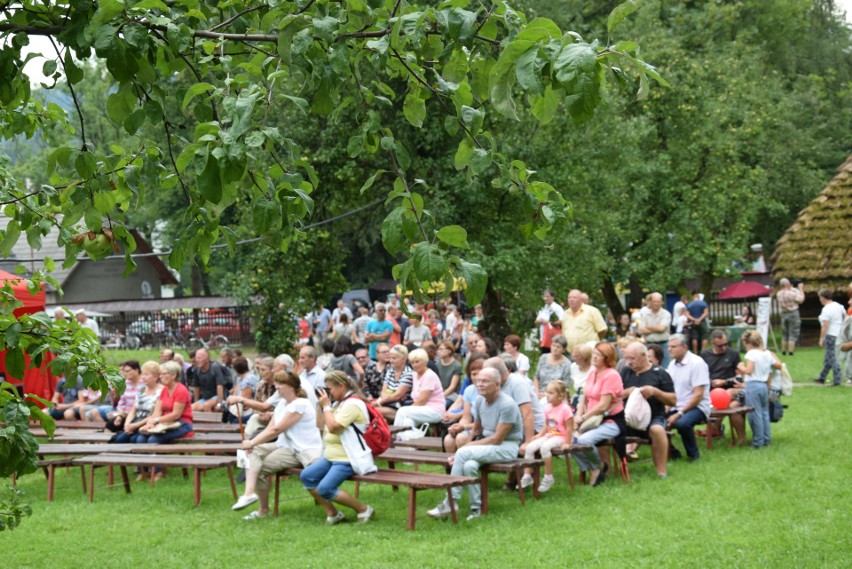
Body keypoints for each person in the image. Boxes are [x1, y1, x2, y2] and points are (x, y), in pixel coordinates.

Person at [427, 367, 523, 521]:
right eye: (478, 381)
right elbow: (477, 429)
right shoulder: (479, 400)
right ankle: (476, 509)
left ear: (497, 384)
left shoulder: (507, 404)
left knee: (464, 454)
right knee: (469, 465)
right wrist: (468, 443)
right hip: (487, 444)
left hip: (507, 446)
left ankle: (450, 502)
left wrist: (463, 450)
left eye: (485, 381)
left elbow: (497, 439)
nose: (480, 384)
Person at [231, 371, 323, 519]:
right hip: (285, 446)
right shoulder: (281, 403)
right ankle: (250, 497)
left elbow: (277, 429)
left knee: (254, 457)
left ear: (291, 387)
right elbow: (269, 429)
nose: (276, 386)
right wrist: (250, 444)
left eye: (280, 384)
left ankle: (330, 508)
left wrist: (252, 441)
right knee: (248, 453)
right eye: (276, 383)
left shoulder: (300, 403)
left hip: (302, 449)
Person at [300, 371, 375, 524]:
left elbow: (334, 427)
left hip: (348, 458)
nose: (329, 393)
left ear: (341, 386)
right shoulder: (338, 403)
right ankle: (333, 513)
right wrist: (321, 405)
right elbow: (320, 425)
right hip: (331, 457)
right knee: (307, 476)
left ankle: (363, 509)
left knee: (325, 489)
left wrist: (327, 406)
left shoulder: (353, 404)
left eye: (330, 389)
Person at [620, 342, 675, 478]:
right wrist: (629, 391)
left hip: (654, 416)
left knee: (657, 430)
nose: (628, 362)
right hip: (628, 416)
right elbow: (616, 395)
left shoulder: (660, 373)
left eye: (632, 358)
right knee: (608, 428)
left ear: (643, 356)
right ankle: (608, 470)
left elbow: (673, 400)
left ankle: (661, 471)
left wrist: (655, 392)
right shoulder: (626, 371)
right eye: (626, 358)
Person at [572, 342, 624, 487]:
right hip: (591, 420)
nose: (594, 357)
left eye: (599, 355)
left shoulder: (611, 375)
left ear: (607, 358)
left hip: (610, 421)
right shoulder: (593, 373)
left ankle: (596, 468)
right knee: (569, 440)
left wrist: (583, 418)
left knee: (583, 441)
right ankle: (596, 467)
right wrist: (578, 415)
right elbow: (584, 398)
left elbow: (603, 406)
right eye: (594, 353)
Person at [137, 361, 194, 479]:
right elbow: (157, 411)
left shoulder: (181, 390)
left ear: (173, 375)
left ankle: (159, 471)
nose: (161, 377)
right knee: (141, 438)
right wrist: (150, 423)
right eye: (160, 374)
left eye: (164, 374)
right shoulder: (164, 390)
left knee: (153, 439)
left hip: (182, 424)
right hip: (164, 423)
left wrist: (156, 421)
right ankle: (144, 471)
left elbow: (176, 415)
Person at [520, 380, 573, 492]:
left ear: (560, 396)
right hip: (550, 434)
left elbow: (569, 428)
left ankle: (548, 477)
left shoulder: (565, 409)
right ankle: (527, 476)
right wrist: (539, 435)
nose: (547, 395)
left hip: (561, 436)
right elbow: (547, 425)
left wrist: (567, 442)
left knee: (545, 448)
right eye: (547, 392)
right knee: (529, 448)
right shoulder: (548, 407)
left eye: (551, 393)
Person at [666, 334, 711, 461]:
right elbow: (670, 391)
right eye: (669, 346)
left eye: (673, 346)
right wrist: (666, 407)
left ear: (685, 347)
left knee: (682, 424)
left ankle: (693, 456)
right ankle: (672, 452)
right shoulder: (671, 365)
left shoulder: (697, 363)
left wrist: (679, 413)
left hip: (698, 406)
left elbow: (698, 395)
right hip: (677, 405)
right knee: (655, 422)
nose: (669, 349)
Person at [736, 330, 781, 448]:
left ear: (749, 344)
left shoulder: (751, 354)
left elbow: (749, 370)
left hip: (753, 385)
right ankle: (766, 439)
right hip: (764, 385)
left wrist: (741, 367)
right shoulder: (767, 354)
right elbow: (777, 364)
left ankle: (758, 442)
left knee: (754, 414)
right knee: (764, 413)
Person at [701, 330, 745, 444]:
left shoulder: (733, 354)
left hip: (729, 390)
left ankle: (740, 438)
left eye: (726, 344)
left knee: (732, 407)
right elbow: (700, 375)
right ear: (713, 344)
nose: (724, 347)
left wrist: (724, 382)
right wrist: (711, 382)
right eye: (720, 345)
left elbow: (740, 377)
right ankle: (715, 428)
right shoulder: (705, 356)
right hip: (711, 391)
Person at [112, 361, 163, 451]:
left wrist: (135, 426)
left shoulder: (161, 391)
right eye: (143, 374)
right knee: (119, 440)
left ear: (156, 376)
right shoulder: (142, 390)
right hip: (136, 421)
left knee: (134, 439)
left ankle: (141, 464)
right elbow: (133, 410)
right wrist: (127, 425)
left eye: (146, 374)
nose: (143, 377)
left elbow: (155, 415)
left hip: (149, 424)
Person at [442, 353, 487, 452]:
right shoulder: (469, 390)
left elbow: (486, 423)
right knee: (448, 439)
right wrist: (457, 427)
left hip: (485, 429)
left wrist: (463, 428)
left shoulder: (489, 391)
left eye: (478, 374)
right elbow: (466, 417)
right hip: (471, 426)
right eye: (473, 374)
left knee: (461, 438)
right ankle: (451, 467)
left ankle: (463, 465)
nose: (476, 377)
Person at [393, 348, 445, 429]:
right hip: (421, 409)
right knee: (408, 421)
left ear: (424, 361)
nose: (414, 365)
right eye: (412, 362)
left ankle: (392, 437)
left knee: (402, 411)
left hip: (435, 410)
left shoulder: (429, 375)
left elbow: (422, 401)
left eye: (417, 362)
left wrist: (408, 410)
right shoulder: (414, 375)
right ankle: (405, 440)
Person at [96, 360, 142, 428]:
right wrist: (119, 415)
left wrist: (122, 415)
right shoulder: (126, 383)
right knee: (110, 425)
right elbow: (121, 403)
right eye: (124, 371)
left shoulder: (144, 384)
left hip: (136, 415)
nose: (125, 373)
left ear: (136, 371)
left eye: (127, 371)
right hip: (124, 414)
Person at [372, 344, 413, 421]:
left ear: (403, 359)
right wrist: (382, 401)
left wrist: (379, 403)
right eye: (390, 358)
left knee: (373, 410)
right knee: (380, 418)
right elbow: (383, 391)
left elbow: (396, 396)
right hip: (387, 403)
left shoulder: (408, 374)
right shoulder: (390, 370)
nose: (391, 360)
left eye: (394, 358)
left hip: (400, 407)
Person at [815, 289, 846, 385]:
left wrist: (821, 338)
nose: (820, 300)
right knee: (828, 357)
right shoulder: (839, 306)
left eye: (820, 297)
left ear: (823, 298)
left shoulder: (826, 309)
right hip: (839, 334)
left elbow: (825, 325)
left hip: (830, 335)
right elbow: (845, 317)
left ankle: (838, 378)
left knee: (832, 358)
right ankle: (822, 377)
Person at [637, 292, 672, 367]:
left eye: (658, 301)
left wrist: (648, 326)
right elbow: (640, 330)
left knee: (665, 366)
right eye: (654, 301)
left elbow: (662, 329)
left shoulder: (666, 314)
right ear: (650, 302)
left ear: (662, 302)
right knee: (648, 367)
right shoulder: (645, 314)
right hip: (649, 344)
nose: (656, 303)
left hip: (663, 344)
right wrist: (657, 328)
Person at [776, 278, 805, 355]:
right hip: (793, 313)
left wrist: (792, 288)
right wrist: (801, 289)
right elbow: (801, 300)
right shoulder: (791, 293)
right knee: (793, 331)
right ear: (786, 284)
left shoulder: (778, 293)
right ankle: (791, 351)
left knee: (785, 332)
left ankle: (783, 351)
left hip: (784, 313)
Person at [535, 288, 564, 354]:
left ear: (552, 297)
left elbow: (562, 321)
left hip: (554, 338)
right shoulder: (543, 308)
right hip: (543, 337)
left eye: (547, 296)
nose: (545, 298)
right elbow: (536, 322)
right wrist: (540, 321)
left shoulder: (557, 308)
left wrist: (549, 322)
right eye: (544, 296)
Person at [436, 340, 462, 405]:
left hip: (451, 394)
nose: (439, 351)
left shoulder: (456, 366)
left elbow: (452, 387)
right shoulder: (437, 364)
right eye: (438, 349)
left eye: (441, 349)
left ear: (449, 351)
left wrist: (440, 396)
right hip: (439, 392)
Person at [569, 343, 593, 407]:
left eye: (576, 356)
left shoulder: (594, 369)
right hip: (576, 398)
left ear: (584, 358)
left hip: (589, 399)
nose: (573, 359)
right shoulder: (573, 367)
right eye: (573, 356)